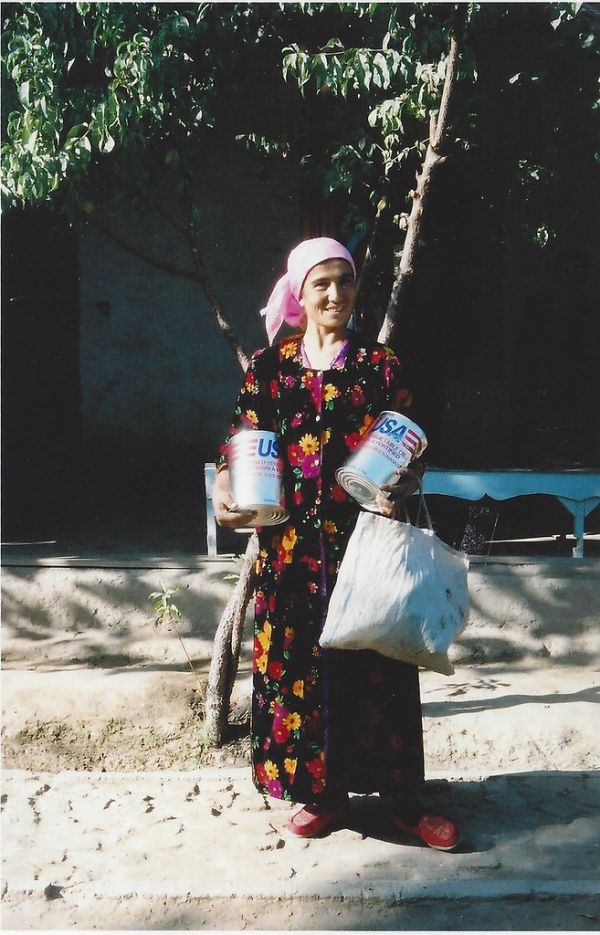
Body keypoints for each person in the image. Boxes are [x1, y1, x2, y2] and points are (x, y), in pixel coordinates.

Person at [213, 237, 460, 850]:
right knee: (300, 671)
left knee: (381, 664)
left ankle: (403, 804)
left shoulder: (379, 367)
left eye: (344, 282)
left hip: (365, 547)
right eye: (321, 283)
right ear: (299, 292)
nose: (334, 294)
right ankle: (321, 797)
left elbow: (409, 444)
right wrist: (225, 487)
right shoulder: (270, 370)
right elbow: (239, 444)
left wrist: (403, 479)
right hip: (290, 554)